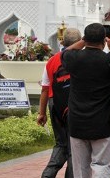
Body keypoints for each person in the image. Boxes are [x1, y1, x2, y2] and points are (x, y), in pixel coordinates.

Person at [61, 23, 110, 177]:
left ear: (85, 39)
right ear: (104, 40)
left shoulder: (74, 59)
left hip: (77, 122)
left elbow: (65, 52)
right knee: (102, 166)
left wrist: (83, 42)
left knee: (80, 169)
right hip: (103, 123)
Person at [37, 28, 81, 178]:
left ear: (63, 42)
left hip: (54, 103)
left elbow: (44, 89)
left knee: (61, 143)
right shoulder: (81, 58)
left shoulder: (52, 60)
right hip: (74, 104)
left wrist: (41, 113)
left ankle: (48, 174)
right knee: (74, 148)